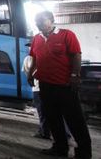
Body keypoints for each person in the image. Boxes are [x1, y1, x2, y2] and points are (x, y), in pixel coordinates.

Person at [27, 11, 91, 158]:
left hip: (65, 86)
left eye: (41, 21)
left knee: (75, 120)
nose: (38, 24)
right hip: (45, 85)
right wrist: (30, 74)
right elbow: (35, 59)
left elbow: (76, 55)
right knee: (53, 119)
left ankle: (84, 152)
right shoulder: (37, 38)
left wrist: (75, 75)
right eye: (36, 21)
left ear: (52, 20)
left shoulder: (67, 35)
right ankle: (60, 148)